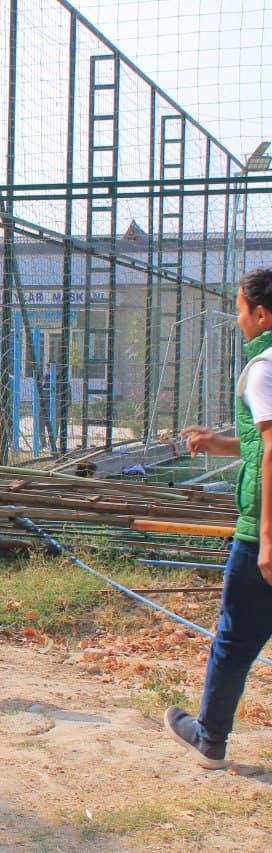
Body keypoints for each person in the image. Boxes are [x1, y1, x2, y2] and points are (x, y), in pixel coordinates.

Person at [165, 268, 272, 770]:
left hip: (260, 532)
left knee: (234, 635)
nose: (238, 318)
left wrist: (267, 537)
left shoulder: (264, 368)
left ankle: (210, 739)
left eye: (239, 308)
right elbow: (257, 444)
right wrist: (216, 442)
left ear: (261, 313)